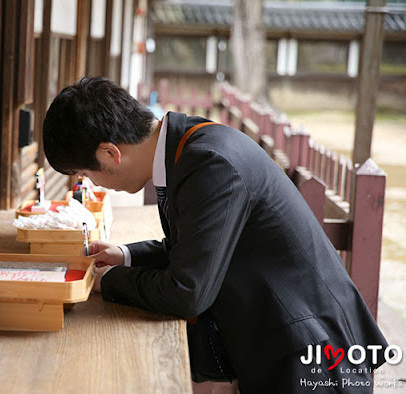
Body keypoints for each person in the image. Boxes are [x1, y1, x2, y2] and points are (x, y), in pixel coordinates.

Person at [43, 77, 389, 393]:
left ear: (109, 154)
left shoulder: (209, 163)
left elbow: (187, 291)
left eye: (85, 174)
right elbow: (200, 248)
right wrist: (127, 255)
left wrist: (110, 281)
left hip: (311, 355)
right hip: (291, 343)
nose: (92, 184)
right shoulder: (191, 146)